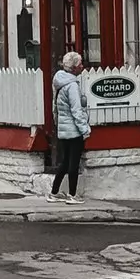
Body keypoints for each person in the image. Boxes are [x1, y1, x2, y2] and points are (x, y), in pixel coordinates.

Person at [49, 50, 90, 201]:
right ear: (73, 68)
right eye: (80, 64)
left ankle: (54, 192)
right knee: (73, 163)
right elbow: (76, 111)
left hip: (63, 129)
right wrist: (85, 129)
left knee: (65, 162)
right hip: (74, 130)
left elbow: (56, 107)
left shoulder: (60, 81)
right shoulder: (72, 85)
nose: (82, 66)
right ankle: (72, 195)